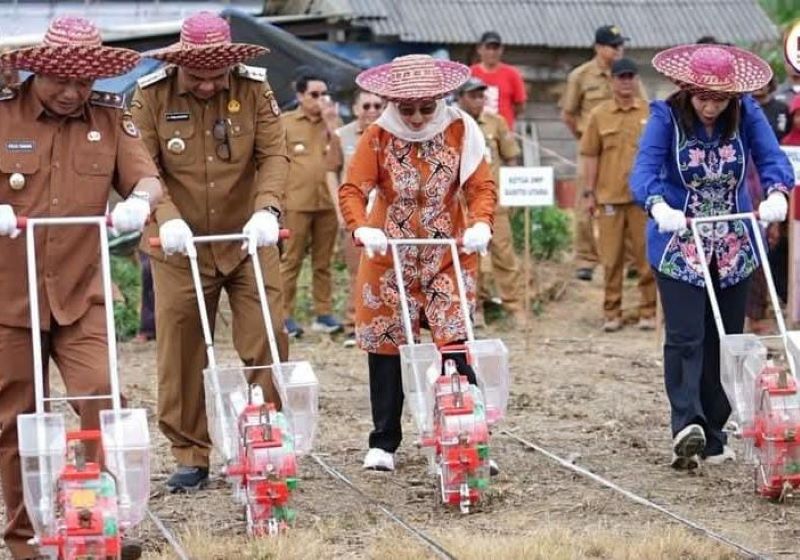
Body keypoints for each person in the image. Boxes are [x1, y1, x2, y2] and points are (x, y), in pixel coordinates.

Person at [0, 16, 162, 559]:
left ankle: (92, 521)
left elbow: (145, 176)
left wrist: (140, 201)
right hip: (8, 295)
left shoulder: (111, 121)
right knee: (18, 419)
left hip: (80, 292)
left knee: (101, 394)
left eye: (83, 82)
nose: (72, 92)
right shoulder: (2, 114)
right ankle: (25, 540)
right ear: (36, 70)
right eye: (60, 81)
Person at [130, 11, 289, 492]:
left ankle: (265, 436)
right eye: (197, 77)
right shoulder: (150, 96)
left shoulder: (254, 90)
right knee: (180, 349)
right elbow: (143, 166)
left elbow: (274, 155)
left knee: (266, 335)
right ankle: (190, 453)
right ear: (180, 65)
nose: (207, 85)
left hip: (247, 238)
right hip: (178, 244)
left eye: (216, 77)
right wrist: (166, 216)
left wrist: (269, 210)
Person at [631, 44, 794, 469]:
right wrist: (656, 203)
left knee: (726, 337)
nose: (710, 107)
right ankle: (688, 423)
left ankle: (716, 430)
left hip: (734, 240)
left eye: (719, 99)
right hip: (680, 238)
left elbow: (771, 156)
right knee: (687, 336)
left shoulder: (745, 114)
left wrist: (777, 190)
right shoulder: (666, 117)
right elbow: (644, 169)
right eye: (702, 97)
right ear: (687, 90)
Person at [339, 55, 497, 472]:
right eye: (405, 109)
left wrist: (481, 223)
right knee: (386, 344)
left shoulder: (461, 129)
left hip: (446, 250)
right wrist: (362, 229)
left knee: (454, 342)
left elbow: (481, 186)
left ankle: (469, 433)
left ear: (441, 100)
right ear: (391, 104)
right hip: (388, 253)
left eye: (426, 108)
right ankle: (384, 441)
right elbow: (353, 188)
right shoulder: (377, 135)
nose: (415, 118)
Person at [560, 25, 644, 282]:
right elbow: (569, 114)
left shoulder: (628, 74)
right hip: (593, 151)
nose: (620, 50)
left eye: (621, 46)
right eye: (614, 46)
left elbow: (643, 106)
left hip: (625, 149)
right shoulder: (581, 76)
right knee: (586, 201)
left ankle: (631, 260)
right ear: (598, 47)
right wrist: (587, 139)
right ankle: (586, 259)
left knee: (630, 200)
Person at [580, 59, 655, 332]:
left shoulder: (651, 113)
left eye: (630, 77)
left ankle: (649, 311)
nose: (625, 82)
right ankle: (612, 312)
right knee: (611, 259)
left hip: (642, 199)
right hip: (608, 198)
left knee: (646, 258)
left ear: (636, 80)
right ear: (611, 81)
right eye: (620, 77)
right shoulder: (599, 115)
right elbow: (590, 155)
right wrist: (588, 193)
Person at [456, 77, 525, 327]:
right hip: (462, 204)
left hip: (494, 201)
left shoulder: (496, 123)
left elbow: (511, 157)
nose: (477, 100)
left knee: (505, 254)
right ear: (461, 98)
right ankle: (475, 309)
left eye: (480, 96)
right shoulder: (451, 124)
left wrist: (513, 191)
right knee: (470, 257)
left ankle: (514, 307)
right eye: (472, 96)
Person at [280, 74, 344, 338]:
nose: (321, 100)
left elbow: (344, 155)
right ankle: (283, 315)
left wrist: (332, 124)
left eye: (324, 94)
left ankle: (323, 313)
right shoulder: (285, 124)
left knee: (323, 262)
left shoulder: (335, 124)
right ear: (300, 96)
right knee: (291, 260)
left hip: (327, 203)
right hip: (296, 203)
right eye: (314, 94)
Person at [326, 89, 386, 346]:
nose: (371, 110)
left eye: (377, 105)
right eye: (366, 106)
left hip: (384, 215)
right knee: (356, 270)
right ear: (355, 109)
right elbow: (330, 172)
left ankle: (383, 323)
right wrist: (340, 209)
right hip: (355, 215)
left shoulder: (391, 134)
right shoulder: (342, 136)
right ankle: (354, 324)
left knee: (386, 270)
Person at [469, 31, 527, 130]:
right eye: (488, 48)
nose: (492, 52)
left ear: (501, 50)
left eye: (495, 48)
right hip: (476, 130)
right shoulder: (470, 73)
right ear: (479, 49)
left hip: (503, 133)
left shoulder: (512, 74)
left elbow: (520, 105)